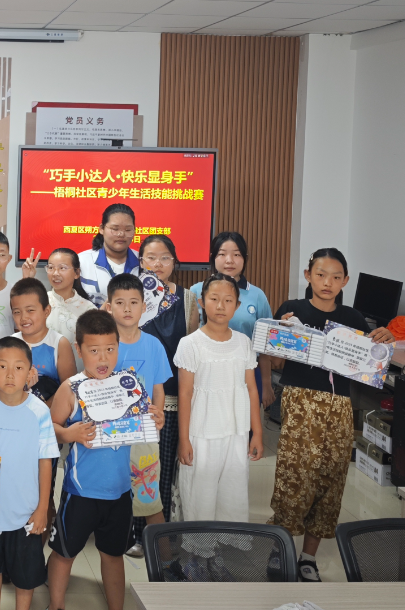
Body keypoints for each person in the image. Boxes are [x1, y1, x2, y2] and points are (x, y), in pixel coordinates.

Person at [267, 248, 395, 582]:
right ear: (308, 275)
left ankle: (308, 557)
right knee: (294, 477)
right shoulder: (292, 309)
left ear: (345, 281)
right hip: (300, 401)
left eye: (336, 277)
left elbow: (368, 368)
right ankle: (280, 550)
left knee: (331, 478)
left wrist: (383, 343)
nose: (328, 283)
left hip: (339, 406)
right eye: (321, 275)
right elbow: (276, 362)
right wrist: (282, 335)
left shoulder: (354, 319)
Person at [47, 310, 162, 610]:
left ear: (118, 347)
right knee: (64, 553)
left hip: (120, 491)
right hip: (80, 492)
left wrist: (156, 419)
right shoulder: (70, 388)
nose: (103, 358)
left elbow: (146, 421)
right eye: (94, 350)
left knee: (113, 555)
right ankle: (55, 605)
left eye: (110, 349)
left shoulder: (128, 385)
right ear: (79, 349)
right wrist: (69, 433)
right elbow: (50, 429)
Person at [174, 274, 263, 579]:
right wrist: (184, 439)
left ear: (237, 305)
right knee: (200, 494)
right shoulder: (190, 344)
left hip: (235, 431)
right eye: (214, 299)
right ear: (202, 302)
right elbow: (185, 393)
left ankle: (216, 555)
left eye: (228, 300)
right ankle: (195, 557)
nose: (221, 306)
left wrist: (256, 432)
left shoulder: (243, 343)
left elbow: (251, 388)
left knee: (231, 492)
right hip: (201, 432)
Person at [0, 337, 58, 610]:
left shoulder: (39, 411)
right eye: (2, 366)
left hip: (26, 510)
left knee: (25, 575)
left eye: (18, 368)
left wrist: (42, 508)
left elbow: (45, 461)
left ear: (30, 373)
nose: (9, 374)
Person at [133, 234, 200, 553]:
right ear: (140, 262)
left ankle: (159, 536)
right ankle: (134, 534)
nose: (157, 264)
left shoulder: (188, 299)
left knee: (163, 469)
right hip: (132, 398)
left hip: (171, 398)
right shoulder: (130, 293)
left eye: (164, 258)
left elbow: (192, 348)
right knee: (135, 468)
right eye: (150, 258)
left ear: (175, 262)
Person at [104, 273, 172, 557]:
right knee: (112, 499)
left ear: (144, 307)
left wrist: (159, 414)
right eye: (120, 303)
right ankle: (114, 551)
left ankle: (165, 561)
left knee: (149, 498)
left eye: (134, 302)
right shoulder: (104, 344)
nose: (127, 309)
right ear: (109, 307)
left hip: (143, 434)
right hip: (108, 436)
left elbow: (158, 388)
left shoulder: (153, 345)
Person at [189, 232, 274, 406]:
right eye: (222, 254)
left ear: (245, 258)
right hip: (206, 371)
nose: (229, 260)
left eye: (236, 254)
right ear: (213, 258)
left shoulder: (257, 295)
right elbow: (189, 334)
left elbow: (265, 345)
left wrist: (266, 384)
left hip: (247, 373)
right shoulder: (196, 291)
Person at [21, 247, 95, 368]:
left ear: (76, 273)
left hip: (76, 374)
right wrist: (27, 280)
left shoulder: (89, 310)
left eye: (62, 268)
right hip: (41, 373)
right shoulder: (39, 302)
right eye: (51, 267)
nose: (55, 273)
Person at [9, 277, 74, 401]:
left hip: (51, 411)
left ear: (46, 311)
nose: (24, 317)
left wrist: (42, 410)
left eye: (30, 310)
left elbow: (69, 390)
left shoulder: (60, 344)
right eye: (17, 312)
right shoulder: (9, 345)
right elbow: (0, 388)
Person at [77, 203, 139, 306]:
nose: (121, 234)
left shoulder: (143, 262)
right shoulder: (81, 261)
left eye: (128, 230)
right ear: (102, 228)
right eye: (115, 229)